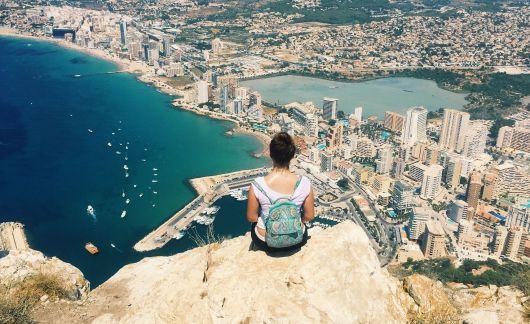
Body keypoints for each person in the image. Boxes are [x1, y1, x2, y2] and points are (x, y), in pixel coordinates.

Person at [246, 132, 315, 252]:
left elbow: (252, 218)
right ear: (292, 155)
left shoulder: (257, 185)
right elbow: (309, 216)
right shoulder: (304, 183)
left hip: (265, 241)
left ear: (270, 154)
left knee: (255, 225)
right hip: (296, 239)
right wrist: (298, 221)